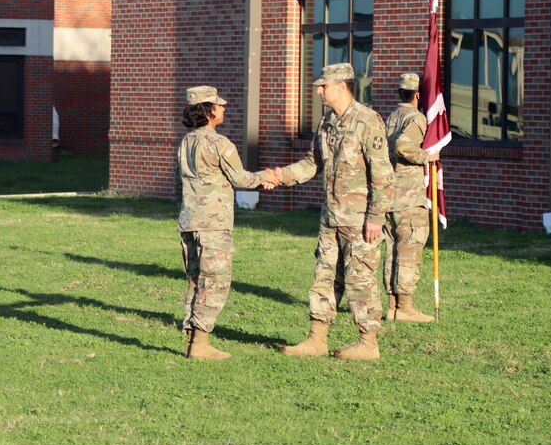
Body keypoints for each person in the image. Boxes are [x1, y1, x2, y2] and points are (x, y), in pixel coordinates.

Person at [271, 63, 394, 360]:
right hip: (331, 218)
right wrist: (280, 175)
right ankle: (317, 339)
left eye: (324, 86)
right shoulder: (327, 122)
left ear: (341, 86)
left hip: (360, 220)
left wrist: (376, 217)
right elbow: (313, 163)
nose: (318, 91)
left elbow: (383, 174)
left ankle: (368, 343)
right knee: (323, 277)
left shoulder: (367, 121)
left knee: (359, 279)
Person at [178, 86, 277, 361]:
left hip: (189, 220)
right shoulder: (220, 143)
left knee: (197, 282)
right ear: (209, 110)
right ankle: (200, 344)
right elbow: (241, 179)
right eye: (219, 105)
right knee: (215, 282)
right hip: (213, 224)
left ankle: (192, 339)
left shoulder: (187, 141)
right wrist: (266, 176)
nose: (224, 109)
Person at [382, 73, 440, 323]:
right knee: (409, 249)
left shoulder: (392, 116)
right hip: (407, 197)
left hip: (389, 195)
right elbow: (403, 146)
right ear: (418, 95)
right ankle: (405, 307)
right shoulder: (416, 118)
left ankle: (393, 305)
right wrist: (427, 157)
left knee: (393, 249)